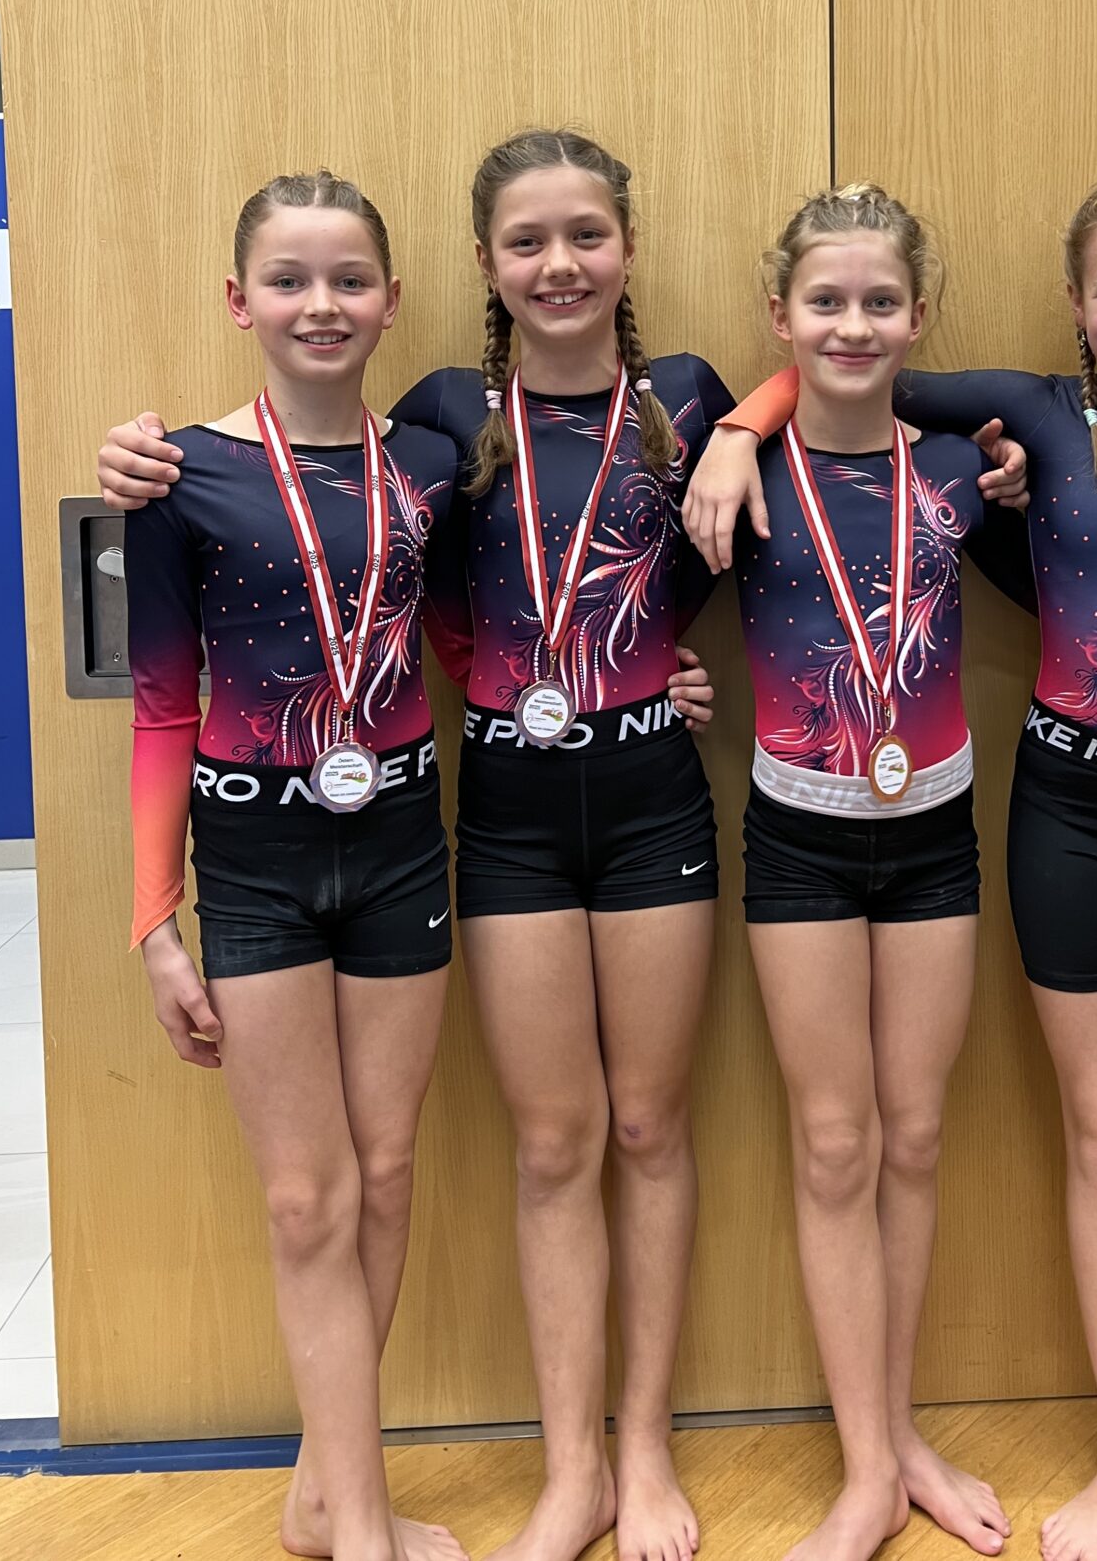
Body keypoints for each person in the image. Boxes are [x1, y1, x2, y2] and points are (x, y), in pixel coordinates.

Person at [103, 131, 1027, 1561]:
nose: (560, 265)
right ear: (483, 265)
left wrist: (743, 426)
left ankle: (643, 1452)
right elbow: (396, 576)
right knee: (552, 1144)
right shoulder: (436, 420)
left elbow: (826, 377)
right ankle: (569, 1471)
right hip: (507, 814)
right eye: (527, 242)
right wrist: (142, 459)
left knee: (650, 1129)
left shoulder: (688, 399)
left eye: (587, 236)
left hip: (655, 799)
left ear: (628, 249)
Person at [684, 171, 1097, 1561]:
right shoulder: (1032, 420)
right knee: (1087, 1133)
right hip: (1056, 815)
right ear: (1074, 302)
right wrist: (739, 428)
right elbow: (848, 370)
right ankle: (1015, 1452)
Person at [125, 171, 468, 1561]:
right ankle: (362, 1523)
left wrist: (645, 669)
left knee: (384, 1174)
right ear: (240, 301)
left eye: (348, 279)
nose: (320, 304)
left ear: (390, 299)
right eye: (288, 279)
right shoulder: (174, 476)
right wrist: (156, 921)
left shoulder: (432, 464)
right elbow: (162, 706)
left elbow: (470, 639)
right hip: (256, 852)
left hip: (399, 840)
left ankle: (329, 1501)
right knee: (302, 1196)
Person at [726, 186, 1015, 1561]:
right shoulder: (732, 475)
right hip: (799, 835)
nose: (854, 325)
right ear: (781, 316)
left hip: (934, 833)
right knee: (835, 1141)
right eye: (826, 302)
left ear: (918, 317)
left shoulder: (961, 471)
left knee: (914, 1135)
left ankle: (901, 1441)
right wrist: (745, 425)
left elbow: (1080, 556)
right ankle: (862, 1472)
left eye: (880, 302)